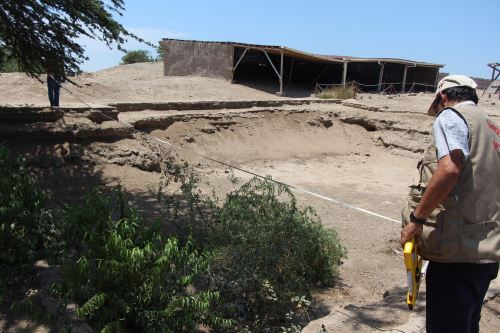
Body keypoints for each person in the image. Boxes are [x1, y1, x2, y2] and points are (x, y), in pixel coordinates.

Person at [400, 75, 499, 332]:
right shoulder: (490, 125)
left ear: (443, 97)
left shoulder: (450, 116)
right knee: (466, 324)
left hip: (457, 253)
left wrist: (417, 220)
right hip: (486, 250)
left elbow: (449, 168)